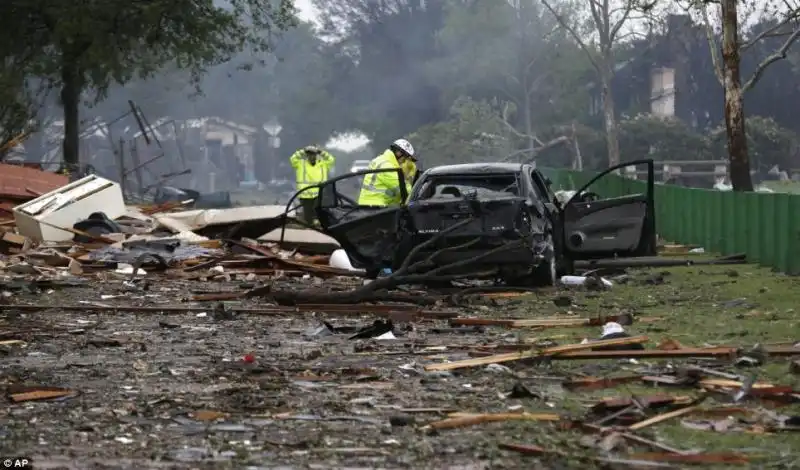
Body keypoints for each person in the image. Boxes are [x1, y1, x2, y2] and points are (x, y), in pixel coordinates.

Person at [358, 138, 417, 206]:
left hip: (367, 203)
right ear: (398, 153)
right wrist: (409, 179)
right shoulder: (387, 166)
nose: (404, 161)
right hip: (375, 205)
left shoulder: (380, 159)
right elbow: (403, 190)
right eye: (405, 158)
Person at [289, 145, 336, 225]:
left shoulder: (323, 164)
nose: (311, 156)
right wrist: (303, 150)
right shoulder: (301, 164)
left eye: (313, 154)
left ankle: (319, 226)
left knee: (318, 213)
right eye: (309, 154)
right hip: (305, 195)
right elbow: (293, 159)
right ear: (307, 155)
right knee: (308, 217)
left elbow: (331, 159)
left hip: (319, 194)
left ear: (317, 155)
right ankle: (311, 228)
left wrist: (321, 151)